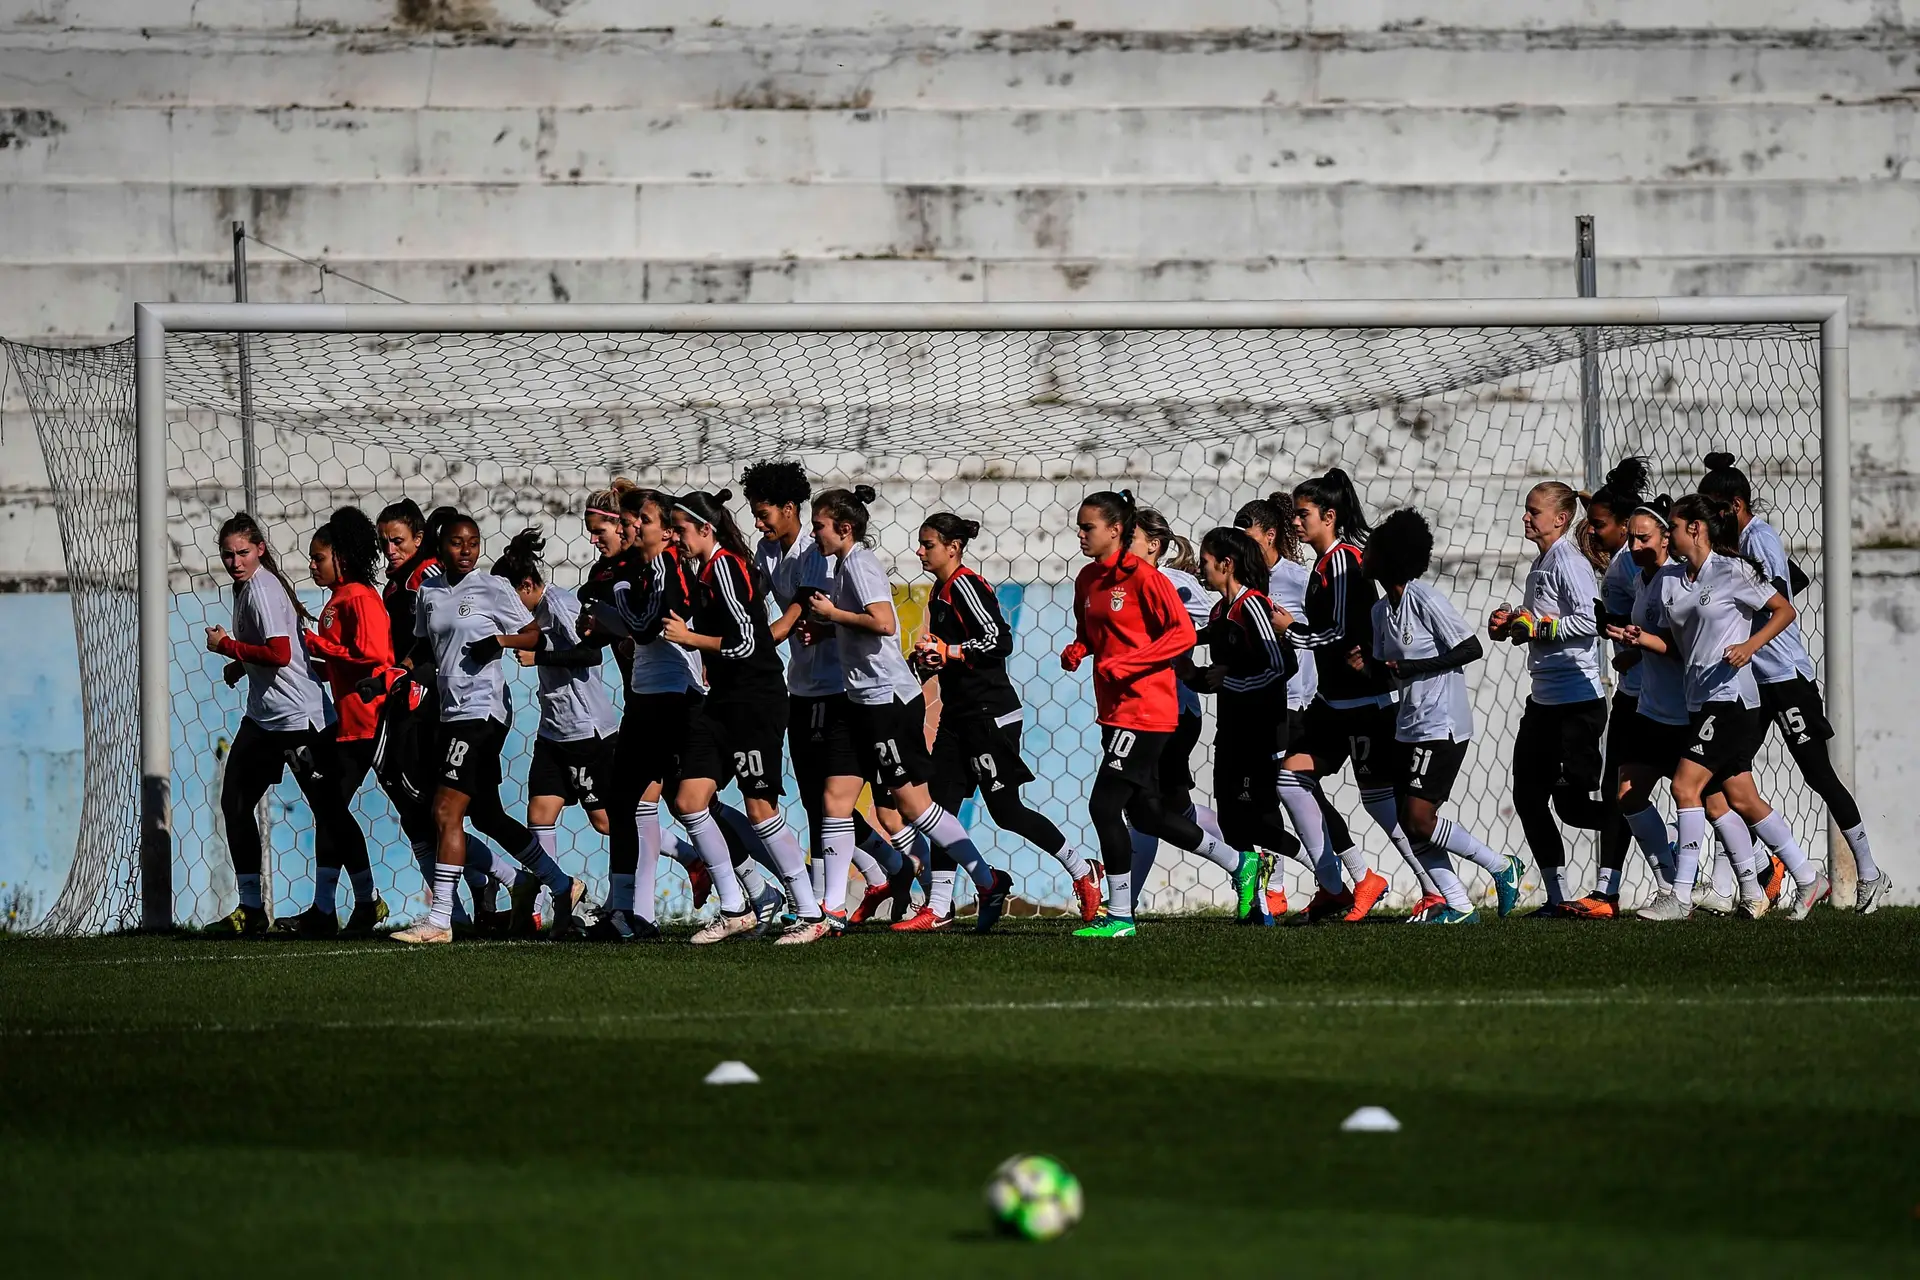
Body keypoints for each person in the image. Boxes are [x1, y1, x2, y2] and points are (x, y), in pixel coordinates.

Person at [803, 487, 1015, 933]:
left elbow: (882, 622)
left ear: (844, 528)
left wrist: (832, 615)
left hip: (888, 702)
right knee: (835, 800)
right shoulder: (842, 564)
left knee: (915, 807)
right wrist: (827, 628)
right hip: (859, 700)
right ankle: (831, 911)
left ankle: (987, 879)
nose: (813, 532)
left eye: (819, 525)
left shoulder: (859, 563)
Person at [1699, 452, 1888, 911]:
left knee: (1816, 773)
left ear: (1735, 505)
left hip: (1783, 677)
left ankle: (1869, 871)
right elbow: (1791, 578)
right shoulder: (1737, 544)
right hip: (1752, 681)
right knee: (1728, 773)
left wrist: (1744, 627)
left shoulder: (1758, 538)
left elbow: (1781, 598)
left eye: (1714, 508)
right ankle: (1737, 883)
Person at [1061, 491, 1253, 939]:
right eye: (1079, 526)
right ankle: (1239, 862)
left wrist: (1130, 664)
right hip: (1112, 710)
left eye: (1088, 527)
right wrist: (1079, 648)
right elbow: (1089, 632)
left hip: (1148, 709)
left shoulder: (1147, 580)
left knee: (1103, 805)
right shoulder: (1088, 579)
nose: (1080, 534)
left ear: (1115, 530)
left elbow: (1182, 634)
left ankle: (1121, 916)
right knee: (1146, 814)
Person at [390, 513, 584, 945]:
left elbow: (534, 634)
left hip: (484, 712)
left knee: (444, 811)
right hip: (450, 714)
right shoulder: (429, 592)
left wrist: (500, 641)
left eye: (473, 543)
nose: (466, 550)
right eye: (457, 543)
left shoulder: (492, 588)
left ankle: (441, 920)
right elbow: (427, 646)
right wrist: (395, 673)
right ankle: (560, 884)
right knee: (488, 815)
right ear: (440, 547)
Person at [1630, 494, 1826, 921]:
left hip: (1733, 700)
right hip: (1698, 701)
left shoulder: (1732, 570)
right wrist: (1641, 640)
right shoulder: (1672, 581)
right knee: (1741, 798)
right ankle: (1807, 878)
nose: (1670, 535)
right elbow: (1678, 648)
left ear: (1694, 529)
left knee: (1685, 787)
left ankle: (1679, 896)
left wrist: (1750, 645)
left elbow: (1784, 610)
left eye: (1675, 528)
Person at [743, 461, 912, 927]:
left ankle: (826, 899)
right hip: (803, 684)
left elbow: (799, 614)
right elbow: (759, 601)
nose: (759, 523)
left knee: (846, 800)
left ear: (790, 509)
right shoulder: (766, 549)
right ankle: (886, 871)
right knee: (820, 799)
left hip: (838, 687)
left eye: (765, 514)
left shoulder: (819, 551)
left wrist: (770, 637)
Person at [910, 511, 1100, 926]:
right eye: (921, 543)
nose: (920, 551)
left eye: (928, 544)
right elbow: (955, 648)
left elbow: (999, 639)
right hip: (957, 715)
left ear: (953, 547)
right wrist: (928, 660)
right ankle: (939, 907)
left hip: (989, 714)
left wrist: (951, 653)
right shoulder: (940, 590)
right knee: (941, 807)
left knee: (1006, 811)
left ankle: (1083, 870)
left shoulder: (965, 584)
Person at [661, 489, 832, 945]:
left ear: (705, 529)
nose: (676, 536)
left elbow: (746, 644)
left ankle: (809, 911)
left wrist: (689, 637)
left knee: (760, 809)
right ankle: (736, 907)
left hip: (756, 700)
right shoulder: (700, 571)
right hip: (721, 703)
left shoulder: (728, 567)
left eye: (680, 529)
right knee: (689, 800)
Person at [203, 514, 368, 936]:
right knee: (235, 803)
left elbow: (277, 653)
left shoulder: (262, 588)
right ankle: (251, 908)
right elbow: (281, 651)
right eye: (228, 554)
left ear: (259, 549)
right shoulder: (248, 587)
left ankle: (367, 901)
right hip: (265, 719)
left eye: (242, 552)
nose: (235, 561)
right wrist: (242, 665)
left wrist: (228, 647)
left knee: (329, 811)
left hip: (300, 719)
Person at [1284, 469, 1438, 920]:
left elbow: (1336, 632)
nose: (1296, 522)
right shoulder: (1322, 563)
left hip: (1364, 706)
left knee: (1384, 807)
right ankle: (1346, 881)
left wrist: (1287, 631)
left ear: (1329, 516)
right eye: (1294, 514)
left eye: (1303, 514)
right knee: (1290, 779)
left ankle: (1436, 888)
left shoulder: (1345, 560)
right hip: (1332, 704)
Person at [1362, 509, 1524, 924]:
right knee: (1408, 819)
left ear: (1393, 556)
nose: (1365, 553)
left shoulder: (1425, 598)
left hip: (1442, 722)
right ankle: (1460, 906)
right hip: (1408, 723)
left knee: (1418, 817)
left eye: (1374, 547)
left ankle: (1501, 867)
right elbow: (1385, 668)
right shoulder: (1382, 611)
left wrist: (1417, 668)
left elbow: (1471, 647)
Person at [371, 500, 521, 932]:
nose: (391, 549)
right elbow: (418, 646)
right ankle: (505, 891)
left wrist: (402, 678)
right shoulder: (410, 588)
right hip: (440, 708)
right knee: (463, 813)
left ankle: (460, 907)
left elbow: (531, 632)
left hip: (440, 712)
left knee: (435, 812)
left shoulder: (429, 580)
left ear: (422, 542)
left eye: (398, 540)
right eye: (385, 543)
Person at [1234, 494, 1363, 915]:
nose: (1241, 545)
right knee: (1287, 790)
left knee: (1283, 787)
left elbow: (1323, 631)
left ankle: (1299, 886)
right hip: (1258, 700)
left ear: (1270, 535)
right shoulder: (1244, 582)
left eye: (1247, 536)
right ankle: (1350, 879)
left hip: (1295, 701)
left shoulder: (1296, 577)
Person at [1487, 479, 1608, 916]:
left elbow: (1590, 621)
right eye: (1526, 509)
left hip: (1577, 702)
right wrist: (1512, 625)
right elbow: (1541, 626)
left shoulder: (1569, 562)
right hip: (1544, 701)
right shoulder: (1541, 564)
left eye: (1533, 511)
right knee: (1528, 798)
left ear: (1560, 519)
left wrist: (1536, 628)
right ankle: (1557, 899)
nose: (1525, 517)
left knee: (1573, 807)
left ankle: (1657, 838)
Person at [1178, 526, 1305, 920]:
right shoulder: (1220, 612)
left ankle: (1329, 875)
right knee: (1232, 823)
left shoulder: (1252, 606)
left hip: (1260, 729)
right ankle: (1256, 905)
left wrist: (1227, 679)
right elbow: (1205, 664)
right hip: (1230, 729)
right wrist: (1179, 665)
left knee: (1261, 823)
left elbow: (1282, 664)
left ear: (1226, 564)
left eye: (1205, 561)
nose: (1200, 569)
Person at [496, 528, 619, 934]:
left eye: (511, 599)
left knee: (605, 822)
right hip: (553, 733)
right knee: (539, 814)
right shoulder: (533, 615)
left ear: (528, 585)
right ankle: (560, 904)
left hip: (586, 731)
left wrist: (540, 656)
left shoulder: (563, 606)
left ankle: (657, 877)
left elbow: (589, 653)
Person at [286, 505, 393, 936]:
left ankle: (365, 903)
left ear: (341, 558)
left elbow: (375, 658)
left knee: (330, 808)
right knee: (326, 808)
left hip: (367, 723)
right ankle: (326, 908)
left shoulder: (360, 598)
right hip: (344, 722)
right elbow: (341, 662)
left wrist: (317, 645)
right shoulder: (337, 600)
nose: (312, 565)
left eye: (318, 557)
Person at [1125, 508, 1235, 912]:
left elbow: (1227, 619)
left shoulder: (1173, 583)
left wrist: (1212, 667)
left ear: (1153, 545)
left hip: (1170, 712)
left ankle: (1123, 905)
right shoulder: (1122, 583)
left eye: (1129, 536)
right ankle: (1250, 860)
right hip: (1142, 712)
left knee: (1139, 806)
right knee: (1175, 809)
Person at [1563, 458, 1653, 919]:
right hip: (1633, 692)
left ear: (1624, 524)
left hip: (1650, 697)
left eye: (1599, 525)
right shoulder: (1623, 559)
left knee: (1704, 789)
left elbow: (1657, 626)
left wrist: (1628, 647)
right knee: (1617, 790)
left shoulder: (1630, 566)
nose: (1592, 532)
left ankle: (1757, 868)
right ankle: (1607, 891)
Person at [1602, 499, 1690, 896]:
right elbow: (1652, 636)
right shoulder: (1642, 579)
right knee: (1628, 792)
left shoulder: (1676, 579)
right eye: (1632, 538)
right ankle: (1671, 884)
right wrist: (1632, 650)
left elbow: (1684, 646)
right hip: (1650, 706)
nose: (1635, 546)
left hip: (1680, 708)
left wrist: (1643, 642)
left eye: (1644, 538)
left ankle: (1768, 871)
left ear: (1666, 538)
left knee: (1724, 802)